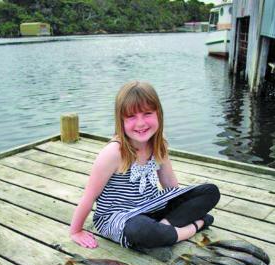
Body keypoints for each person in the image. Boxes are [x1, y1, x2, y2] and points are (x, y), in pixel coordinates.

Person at [70, 80, 220, 254]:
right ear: (121, 121)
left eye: (147, 113)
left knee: (210, 191)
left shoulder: (158, 143)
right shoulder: (114, 152)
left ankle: (164, 230)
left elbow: (171, 186)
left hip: (152, 205)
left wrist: (182, 205)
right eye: (131, 116)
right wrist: (76, 230)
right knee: (140, 229)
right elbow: (89, 196)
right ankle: (192, 227)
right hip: (120, 217)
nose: (140, 123)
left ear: (159, 115)